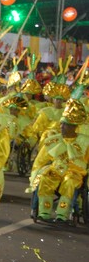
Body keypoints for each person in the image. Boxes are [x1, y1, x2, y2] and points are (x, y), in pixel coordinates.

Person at [29, 89, 89, 223]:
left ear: (73, 127)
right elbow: (41, 160)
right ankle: (44, 213)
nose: (61, 127)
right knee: (44, 178)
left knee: (69, 183)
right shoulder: (53, 140)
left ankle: (62, 214)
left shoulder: (85, 142)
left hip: (75, 172)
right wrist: (36, 173)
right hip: (56, 169)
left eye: (65, 125)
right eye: (61, 124)